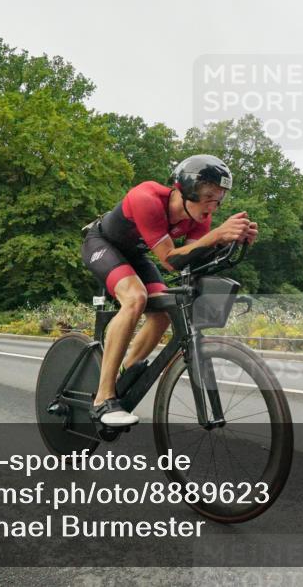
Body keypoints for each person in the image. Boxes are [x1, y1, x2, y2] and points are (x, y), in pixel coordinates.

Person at [81, 154, 257, 427]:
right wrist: (216, 236)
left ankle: (122, 378)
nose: (214, 205)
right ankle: (103, 398)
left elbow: (191, 261)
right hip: (102, 244)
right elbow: (170, 260)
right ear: (185, 189)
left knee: (163, 311)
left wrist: (228, 243)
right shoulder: (147, 197)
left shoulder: (201, 218)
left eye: (219, 198)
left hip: (136, 256)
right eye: (208, 196)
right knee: (135, 298)